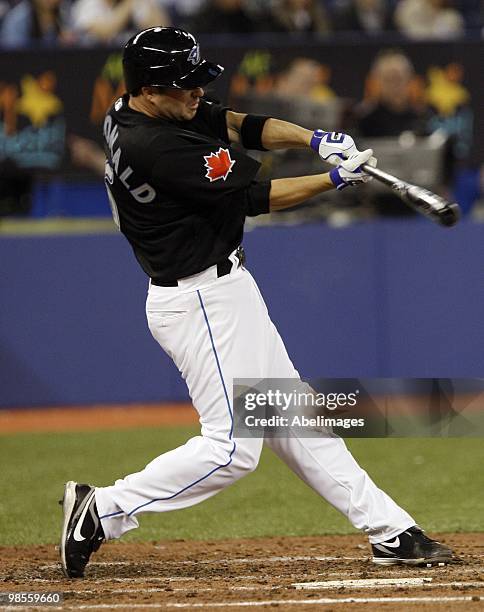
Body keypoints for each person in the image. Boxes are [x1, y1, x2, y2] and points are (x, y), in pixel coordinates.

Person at [59, 26, 453, 579]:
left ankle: (392, 531)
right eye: (185, 86)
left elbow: (237, 125)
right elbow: (255, 197)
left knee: (293, 415)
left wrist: (316, 139)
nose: (196, 94)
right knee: (231, 451)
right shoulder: (157, 146)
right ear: (150, 89)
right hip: (197, 302)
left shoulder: (140, 109)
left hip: (224, 290)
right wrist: (334, 178)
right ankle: (101, 509)